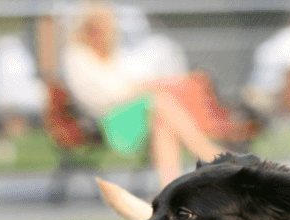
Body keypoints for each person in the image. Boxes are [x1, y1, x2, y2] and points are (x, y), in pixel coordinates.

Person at [62, 2, 254, 186]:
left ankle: (169, 188)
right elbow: (100, 97)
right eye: (98, 26)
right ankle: (211, 155)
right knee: (161, 103)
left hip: (134, 115)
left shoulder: (114, 55)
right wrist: (142, 88)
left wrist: (148, 85)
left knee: (163, 122)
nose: (105, 32)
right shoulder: (76, 56)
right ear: (87, 27)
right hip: (107, 123)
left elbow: (132, 83)